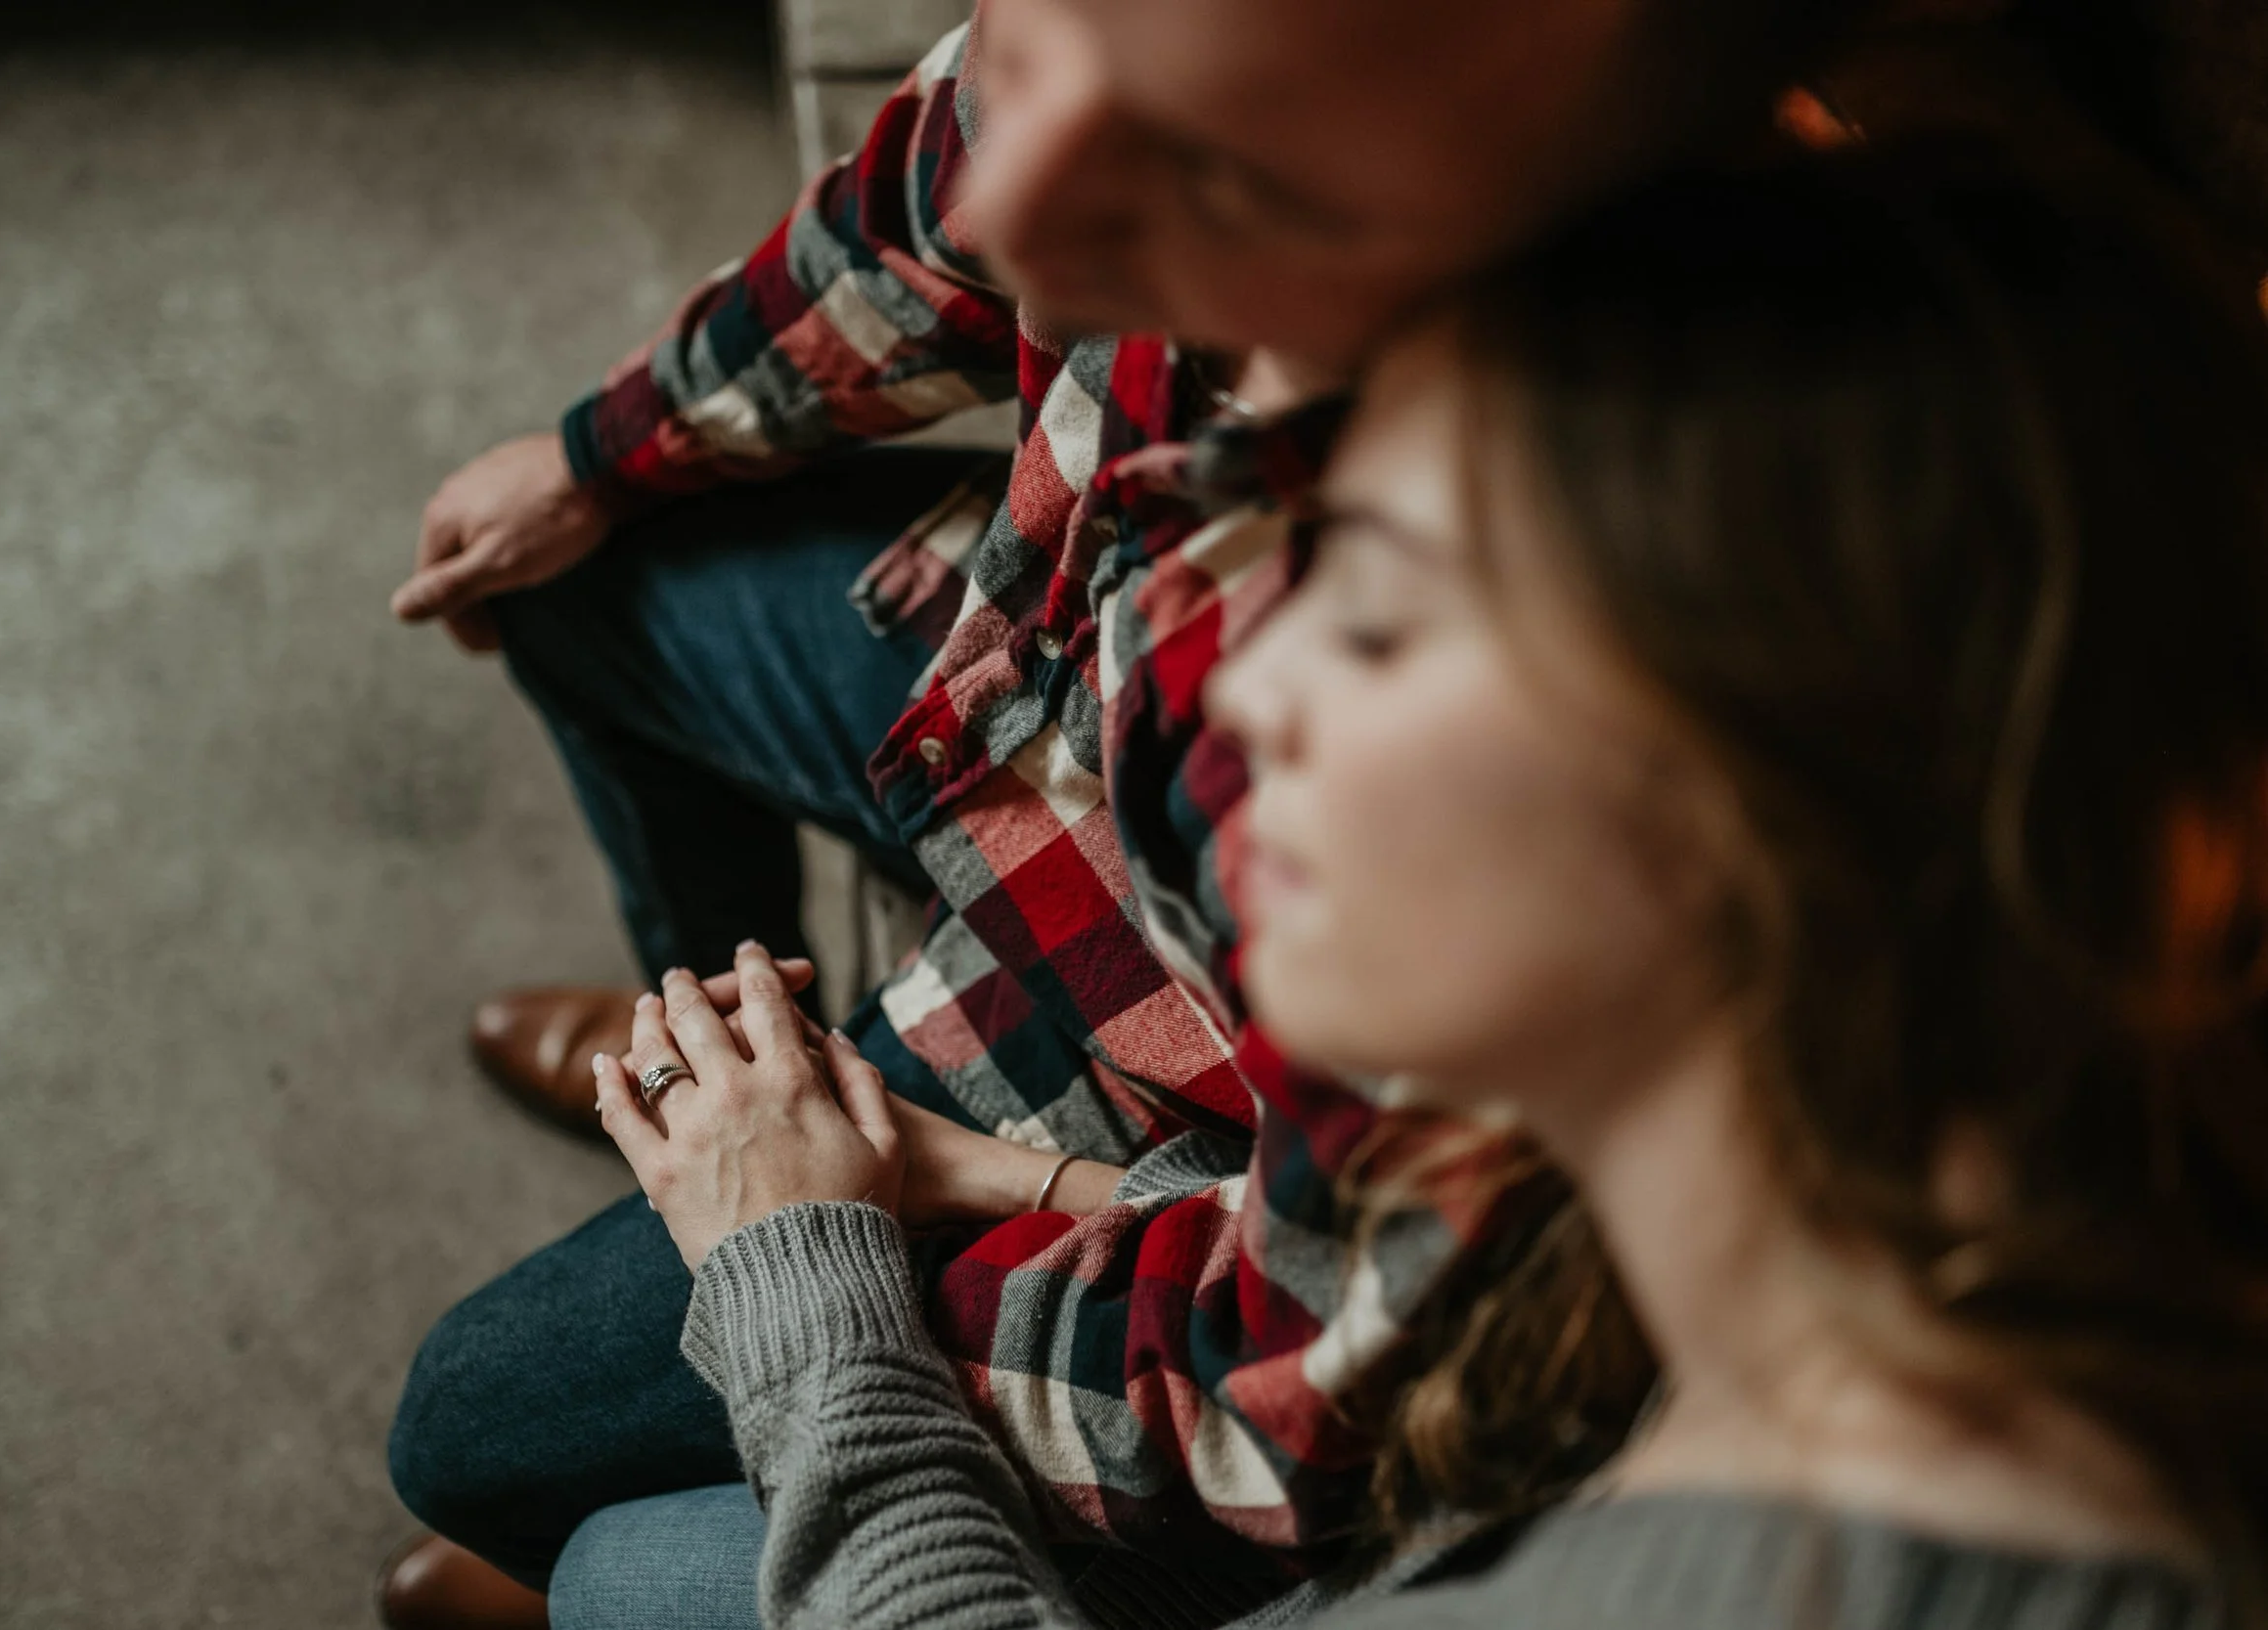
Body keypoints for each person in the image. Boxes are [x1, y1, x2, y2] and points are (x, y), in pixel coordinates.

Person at [379, 0, 2268, 1620]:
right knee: (591, 589)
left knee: (533, 1476)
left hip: (1161, 1145)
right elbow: (926, 215)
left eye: (1368, 608)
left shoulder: (1697, 531)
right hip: (1034, 797)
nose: (1009, 200)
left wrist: (849, 1240)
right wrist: (593, 455)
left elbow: (1274, 1382)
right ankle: (715, 1055)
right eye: (1041, 47)